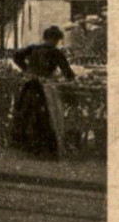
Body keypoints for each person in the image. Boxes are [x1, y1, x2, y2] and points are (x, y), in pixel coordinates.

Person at [10, 26, 76, 158]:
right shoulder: (55, 52)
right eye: (57, 40)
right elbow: (68, 73)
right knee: (46, 118)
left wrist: (27, 69)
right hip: (43, 88)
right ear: (55, 39)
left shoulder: (34, 48)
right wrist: (70, 78)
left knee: (28, 115)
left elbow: (16, 56)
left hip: (29, 86)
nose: (57, 43)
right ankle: (44, 150)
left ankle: (28, 148)